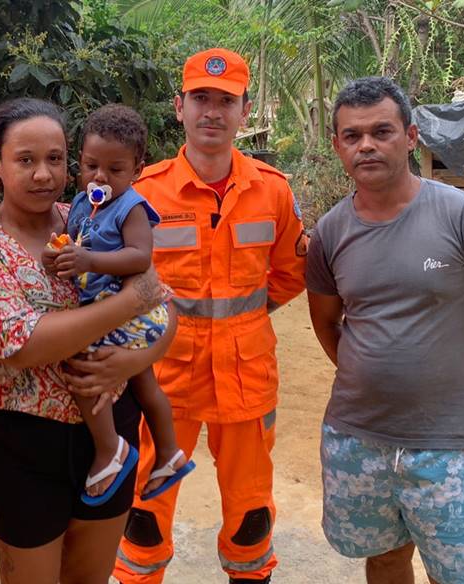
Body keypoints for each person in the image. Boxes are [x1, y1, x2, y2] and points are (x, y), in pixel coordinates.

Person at [306, 76, 464, 584]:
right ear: (338, 146)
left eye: (381, 131)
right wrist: (373, 375)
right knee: (385, 558)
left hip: (446, 443)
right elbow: (326, 323)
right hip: (355, 439)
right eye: (352, 135)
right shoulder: (330, 232)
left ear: (410, 137)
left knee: (455, 575)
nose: (366, 144)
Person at [0, 97, 176, 584]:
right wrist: (129, 302)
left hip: (113, 433)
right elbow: (26, 344)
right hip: (27, 447)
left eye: (54, 159)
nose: (42, 175)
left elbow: (164, 306)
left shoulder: (90, 218)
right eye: (25, 160)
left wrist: (136, 358)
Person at [113, 49, 307, 584]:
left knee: (250, 517)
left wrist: (242, 321)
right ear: (179, 107)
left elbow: (291, 272)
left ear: (246, 111)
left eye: (226, 100)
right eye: (201, 98)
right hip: (161, 381)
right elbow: (115, 284)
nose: (212, 112)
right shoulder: (143, 195)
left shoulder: (273, 191)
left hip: (247, 380)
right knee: (143, 517)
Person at [42, 104, 194, 506]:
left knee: (83, 359)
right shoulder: (79, 203)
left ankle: (110, 449)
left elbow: (140, 259)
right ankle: (169, 454)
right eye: (91, 165)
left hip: (137, 311)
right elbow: (71, 241)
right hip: (114, 306)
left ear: (137, 171)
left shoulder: (131, 209)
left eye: (115, 169)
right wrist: (58, 254)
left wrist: (90, 261)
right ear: (80, 161)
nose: (100, 177)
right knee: (145, 384)